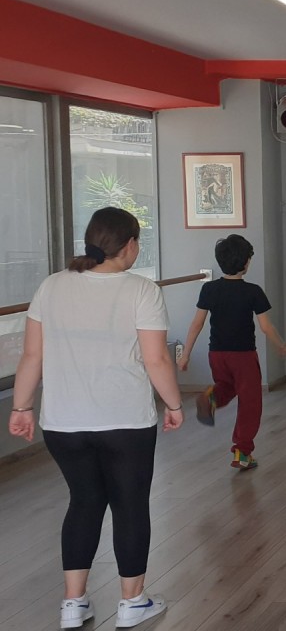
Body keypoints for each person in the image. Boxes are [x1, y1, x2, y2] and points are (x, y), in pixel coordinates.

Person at [9, 207, 183, 630]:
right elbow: (156, 359)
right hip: (125, 420)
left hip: (63, 423)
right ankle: (132, 602)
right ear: (130, 244)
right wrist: (175, 404)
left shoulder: (52, 286)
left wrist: (21, 407)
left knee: (83, 502)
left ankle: (73, 604)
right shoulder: (141, 290)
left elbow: (32, 355)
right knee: (129, 505)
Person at [179, 234, 286, 470]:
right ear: (246, 262)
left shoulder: (209, 289)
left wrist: (185, 354)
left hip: (217, 354)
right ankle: (242, 451)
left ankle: (209, 398)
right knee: (250, 402)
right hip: (244, 356)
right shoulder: (253, 292)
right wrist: (280, 345)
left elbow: (196, 324)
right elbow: (266, 327)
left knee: (226, 387)